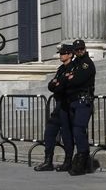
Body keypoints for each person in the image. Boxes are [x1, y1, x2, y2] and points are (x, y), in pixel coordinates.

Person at [34, 44, 75, 172]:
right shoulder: (61, 69)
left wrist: (58, 84)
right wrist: (57, 84)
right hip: (59, 104)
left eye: (63, 53)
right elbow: (51, 85)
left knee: (66, 134)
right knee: (49, 131)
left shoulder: (73, 67)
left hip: (67, 105)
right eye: (60, 53)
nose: (61, 55)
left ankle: (68, 161)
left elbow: (63, 85)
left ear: (70, 54)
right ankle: (48, 161)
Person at [65, 39, 96, 176]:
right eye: (77, 50)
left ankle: (82, 159)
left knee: (78, 129)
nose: (80, 51)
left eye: (81, 49)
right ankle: (83, 161)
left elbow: (78, 80)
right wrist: (68, 78)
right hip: (73, 101)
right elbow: (62, 81)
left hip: (84, 100)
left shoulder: (87, 64)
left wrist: (70, 78)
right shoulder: (73, 64)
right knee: (75, 131)